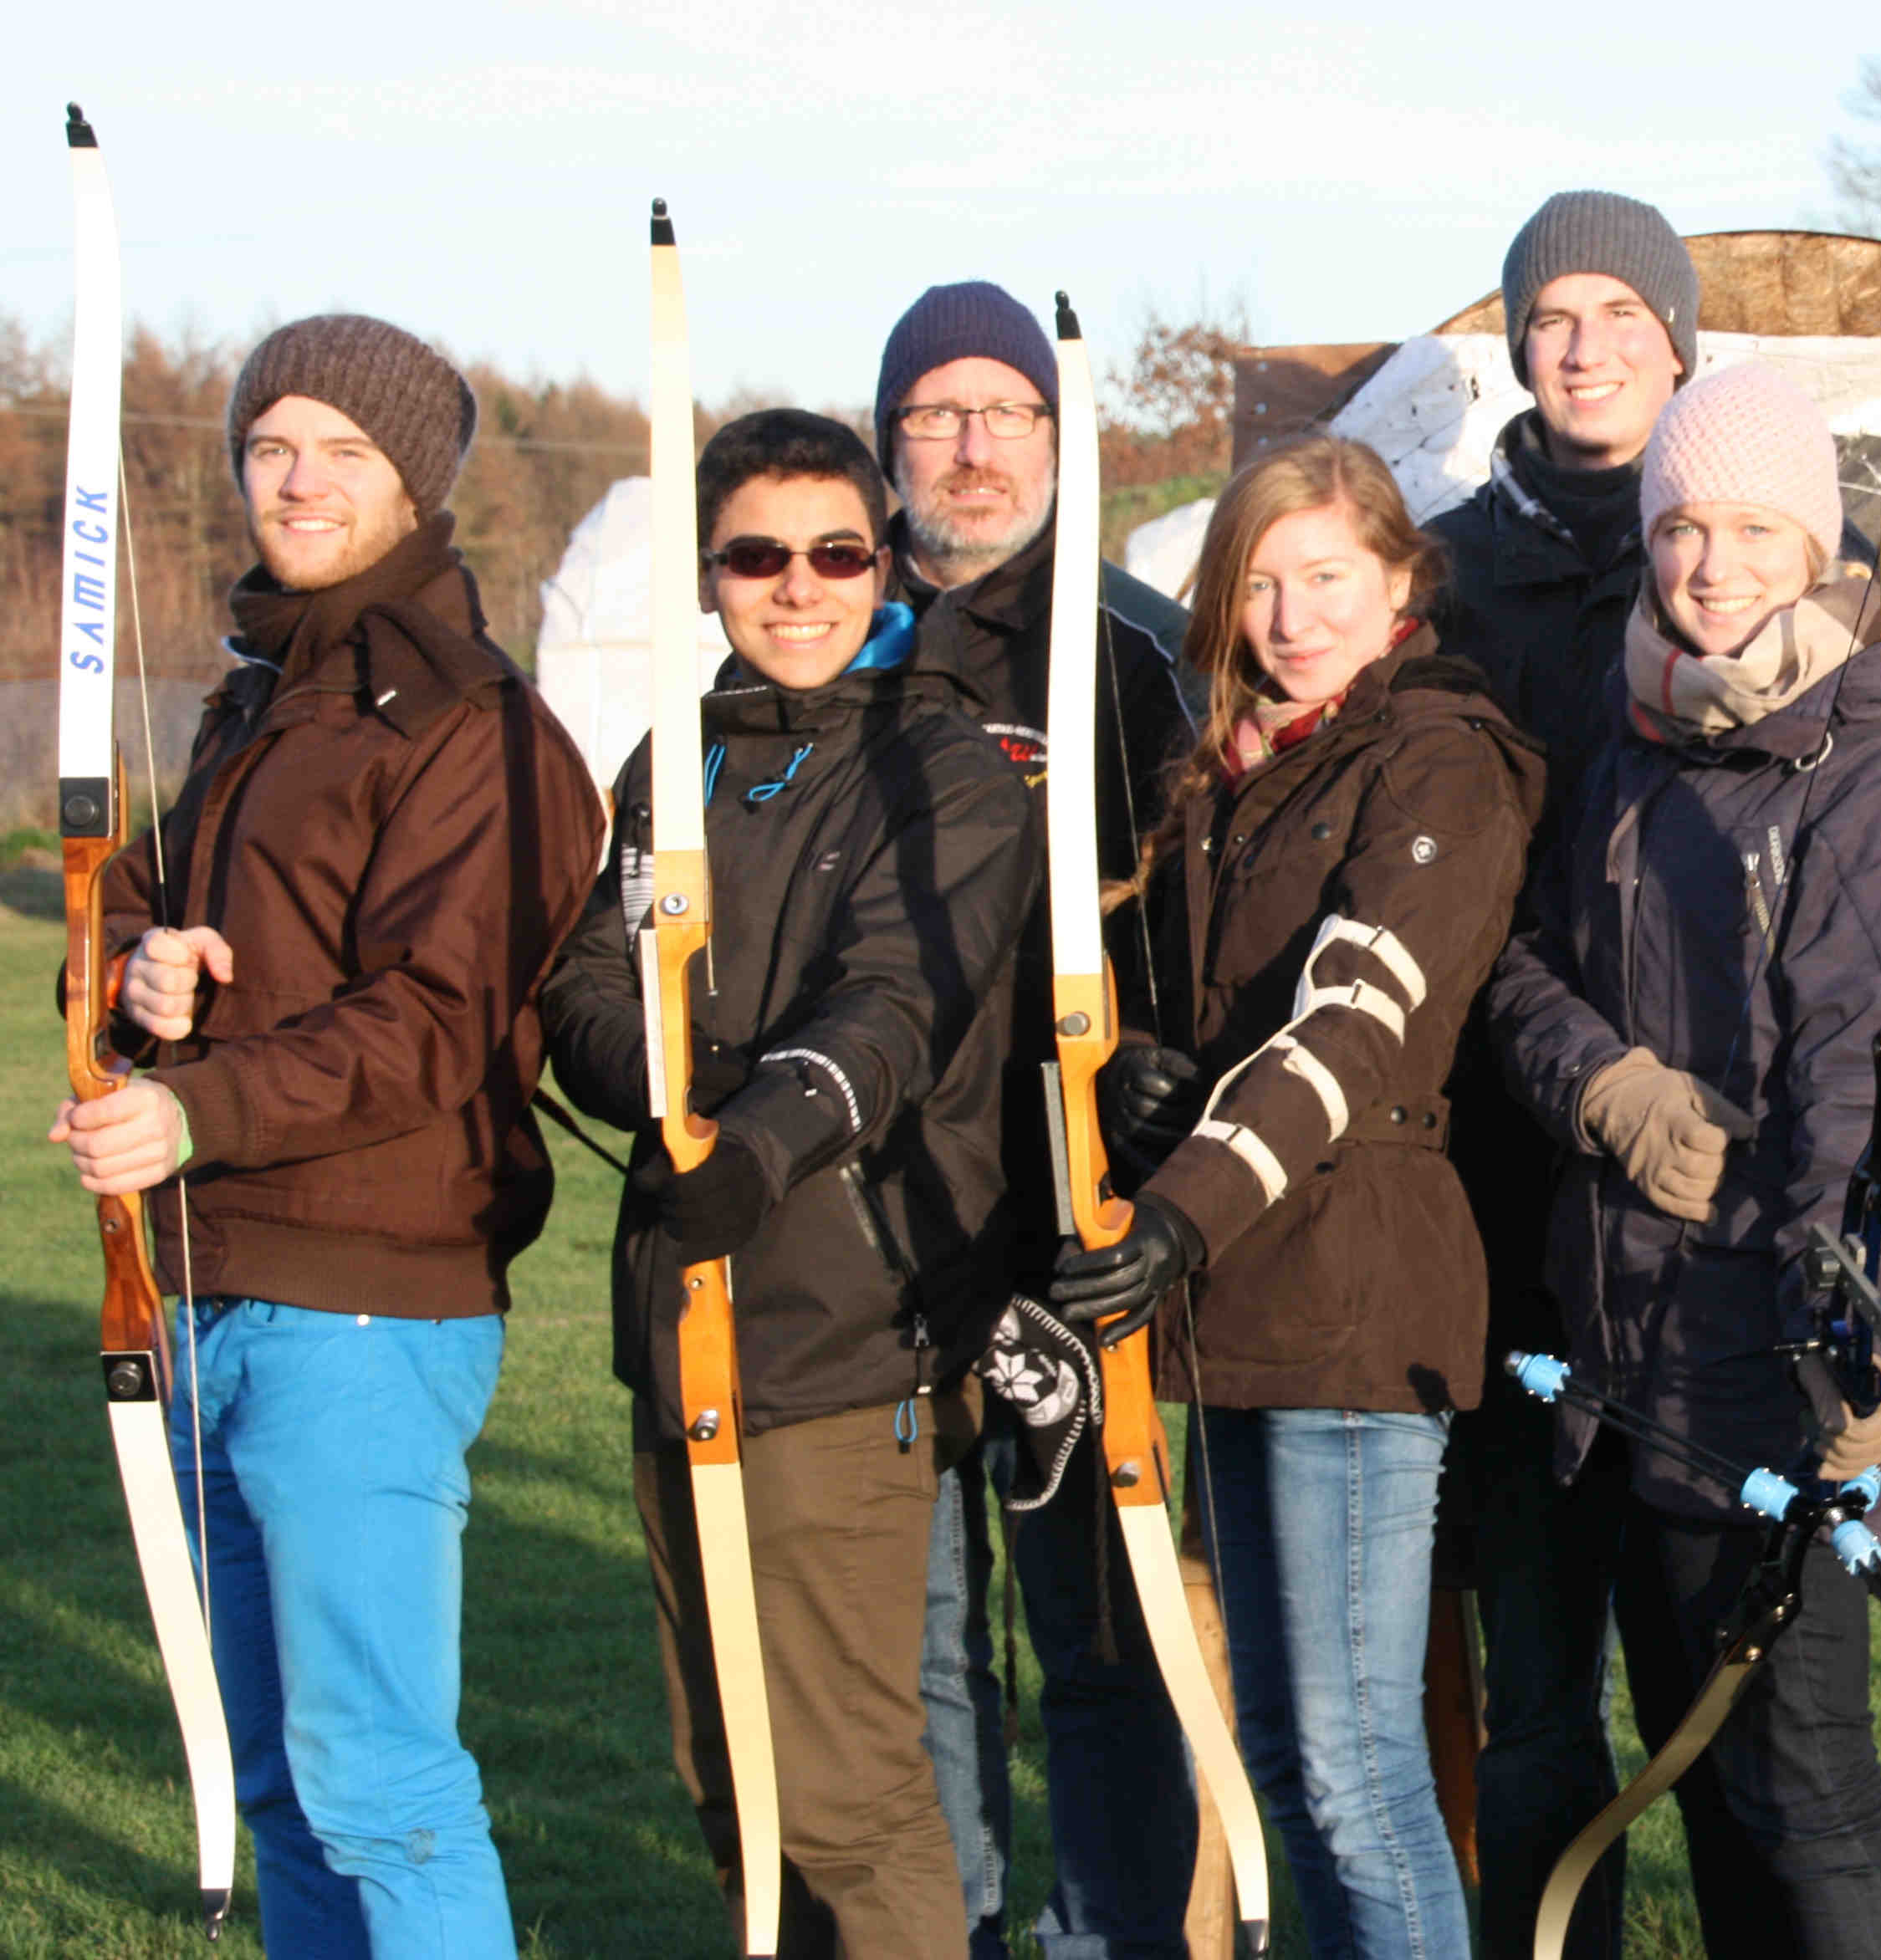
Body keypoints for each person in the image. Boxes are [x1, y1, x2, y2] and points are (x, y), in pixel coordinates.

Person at [49, 313, 602, 1959]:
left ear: (415, 483)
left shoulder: (470, 724)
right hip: (216, 1286)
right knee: (280, 1782)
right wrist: (140, 968)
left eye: (341, 451)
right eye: (271, 443)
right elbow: (123, 918)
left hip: (362, 1307)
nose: (298, 479)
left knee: (377, 1784)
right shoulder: (254, 704)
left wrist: (194, 1102)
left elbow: (436, 1013)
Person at [539, 409, 1036, 1957]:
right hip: (682, 1315)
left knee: (839, 1787)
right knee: (725, 1770)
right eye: (759, 555)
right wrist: (683, 1104)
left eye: (836, 552)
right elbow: (581, 986)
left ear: (882, 562)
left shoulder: (943, 770)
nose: (799, 587)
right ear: (711, 577)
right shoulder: (667, 764)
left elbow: (893, 1007)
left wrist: (758, 1138)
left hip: (844, 1331)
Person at [1050, 436, 1543, 1960]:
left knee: (1355, 1765)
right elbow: (1230, 1017)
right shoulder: (1242, 769)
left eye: (1327, 576)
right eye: (1259, 582)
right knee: (1275, 1753)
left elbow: (1353, 1022)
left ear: (1401, 581)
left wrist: (1179, 1210)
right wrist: (1153, 1074)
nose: (1291, 614)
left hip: (1350, 1297)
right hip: (1245, 1290)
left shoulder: (1440, 758)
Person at [1484, 362, 1881, 1958]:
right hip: (1622, 1333)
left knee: (1806, 1789)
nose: (1714, 562)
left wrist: (1848, 1332)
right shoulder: (1620, 736)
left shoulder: (1870, 749)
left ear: (1814, 546)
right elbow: (1519, 966)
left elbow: (1856, 1062)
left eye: (1756, 526)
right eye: (1684, 525)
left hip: (1777, 1340)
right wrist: (1604, 1083)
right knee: (1713, 1775)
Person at [871, 278, 1200, 1959]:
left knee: (1090, 1629)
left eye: (1007, 410)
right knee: (921, 1635)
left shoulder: (1120, 649)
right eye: (937, 413)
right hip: (863, 1230)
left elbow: (1189, 922)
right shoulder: (823, 634)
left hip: (1061, 1216)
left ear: (1058, 441)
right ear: (889, 442)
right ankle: (961, 1924)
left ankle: (1113, 1929)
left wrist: (1158, 1064)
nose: (973, 446)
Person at [1428, 186, 1699, 1960]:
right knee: (1535, 1706)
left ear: (1677, 342)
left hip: (1704, 1214)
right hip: (1509, 1198)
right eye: (1550, 316)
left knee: (1730, 1707)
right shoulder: (1444, 573)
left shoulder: (1747, 547)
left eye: (1617, 310)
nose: (1584, 343)